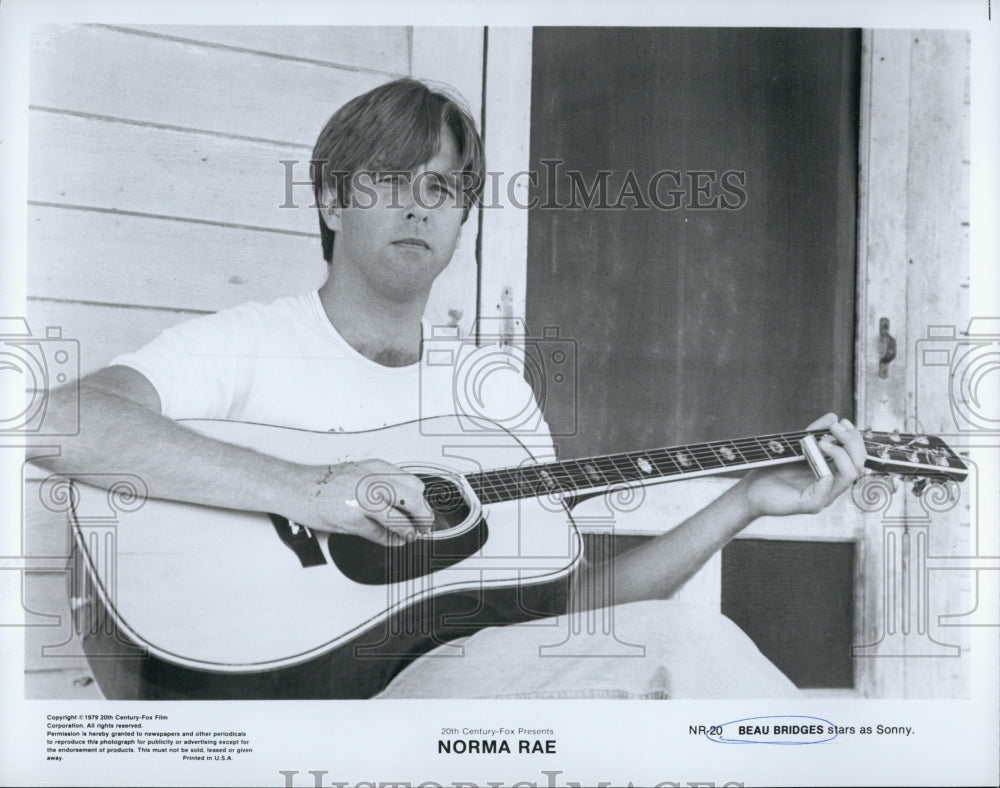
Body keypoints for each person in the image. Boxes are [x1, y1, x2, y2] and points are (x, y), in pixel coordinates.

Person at [30, 78, 866, 699]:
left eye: (441, 189)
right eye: (389, 181)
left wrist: (745, 501)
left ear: (463, 218)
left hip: (445, 692)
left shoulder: (492, 393)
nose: (418, 208)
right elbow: (59, 422)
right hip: (275, 699)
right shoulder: (249, 343)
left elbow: (564, 613)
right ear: (328, 198)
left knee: (681, 643)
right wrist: (311, 490)